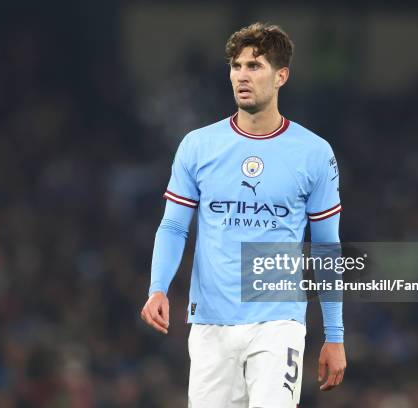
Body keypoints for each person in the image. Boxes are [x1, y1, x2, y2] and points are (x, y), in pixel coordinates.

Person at [141, 22, 346, 407]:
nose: (242, 76)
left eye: (255, 66)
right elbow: (172, 226)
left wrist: (334, 334)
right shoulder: (198, 146)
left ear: (281, 75)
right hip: (210, 324)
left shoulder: (314, 153)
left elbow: (327, 246)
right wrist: (158, 287)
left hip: (277, 321)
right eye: (236, 66)